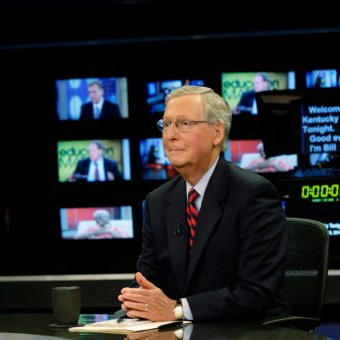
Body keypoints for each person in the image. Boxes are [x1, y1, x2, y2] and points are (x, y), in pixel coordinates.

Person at [118, 85, 288, 323]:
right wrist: (135, 299)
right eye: (166, 124)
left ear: (217, 133)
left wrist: (177, 310)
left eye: (184, 123)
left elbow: (255, 292)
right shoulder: (157, 201)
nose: (170, 135)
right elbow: (149, 279)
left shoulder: (253, 194)